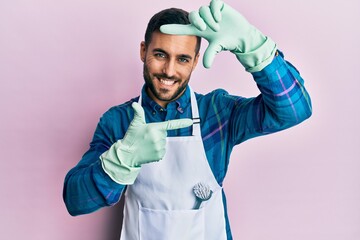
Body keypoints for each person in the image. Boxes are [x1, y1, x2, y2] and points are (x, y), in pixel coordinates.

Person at [63, 0, 312, 239]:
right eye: (160, 54)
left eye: (182, 59)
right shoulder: (118, 121)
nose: (169, 71)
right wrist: (122, 160)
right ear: (143, 51)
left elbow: (294, 110)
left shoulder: (217, 112)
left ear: (194, 62)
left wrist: (254, 45)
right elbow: (76, 201)